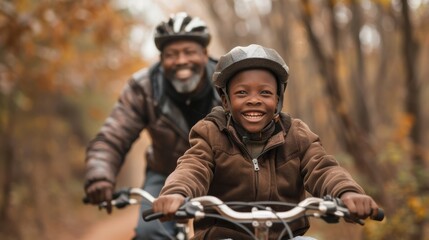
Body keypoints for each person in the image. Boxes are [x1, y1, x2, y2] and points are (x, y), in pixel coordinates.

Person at [151, 44, 381, 239]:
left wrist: (348, 193)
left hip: (286, 236)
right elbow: (193, 167)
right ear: (226, 101)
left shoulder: (296, 134)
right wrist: (177, 193)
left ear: (278, 100)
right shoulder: (210, 133)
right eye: (242, 93)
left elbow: (323, 168)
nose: (254, 100)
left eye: (265, 93)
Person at [83, 12, 221, 240]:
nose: (181, 60)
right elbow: (113, 135)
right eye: (171, 54)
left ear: (205, 54)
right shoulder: (143, 88)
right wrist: (99, 174)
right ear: (161, 58)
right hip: (164, 173)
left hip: (222, 174)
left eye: (189, 52)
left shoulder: (227, 80)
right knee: (149, 234)